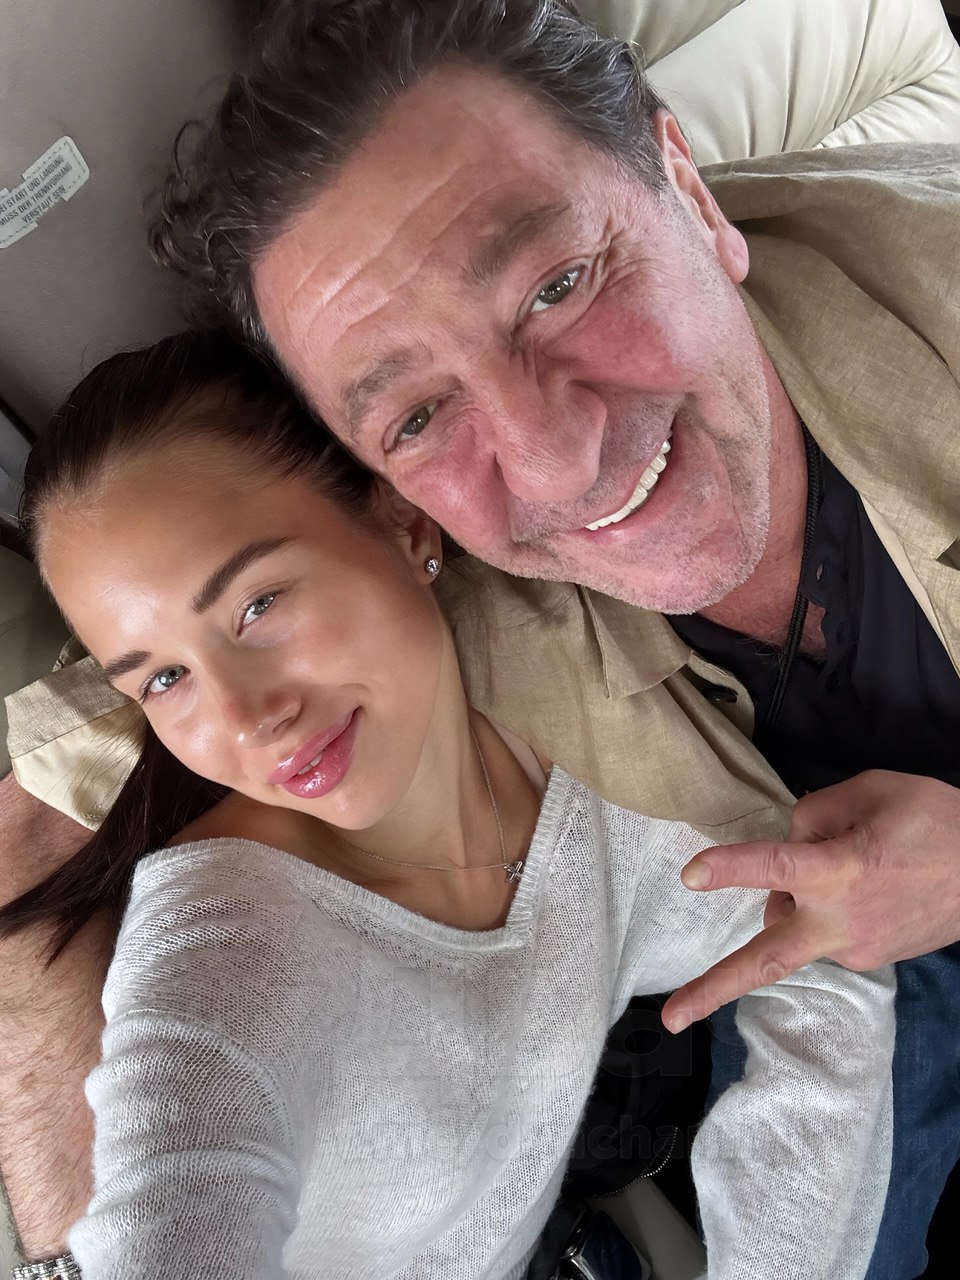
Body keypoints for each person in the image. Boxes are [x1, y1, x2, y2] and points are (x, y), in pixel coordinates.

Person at [3, 2, 960, 1276]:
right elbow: (49, 795)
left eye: (557, 286)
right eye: (414, 415)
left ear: (686, 187)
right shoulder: (444, 616)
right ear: (391, 497)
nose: (554, 462)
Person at [1, 330, 893, 1280]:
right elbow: (173, 1197)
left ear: (403, 524)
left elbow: (817, 941)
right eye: (165, 679)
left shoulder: (608, 769)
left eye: (257, 607)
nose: (249, 721)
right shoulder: (224, 952)